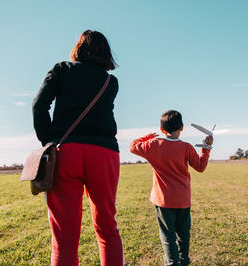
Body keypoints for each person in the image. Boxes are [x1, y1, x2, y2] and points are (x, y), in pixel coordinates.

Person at [32, 30, 123, 266]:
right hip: (104, 153)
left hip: (66, 152)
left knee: (64, 236)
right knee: (107, 227)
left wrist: (48, 141)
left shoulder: (62, 69)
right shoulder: (110, 82)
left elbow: (39, 105)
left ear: (79, 48)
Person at [129, 110, 213, 266]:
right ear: (181, 127)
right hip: (183, 200)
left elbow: (133, 147)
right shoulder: (186, 147)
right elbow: (200, 167)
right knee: (183, 234)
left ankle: (172, 263)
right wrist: (206, 148)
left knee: (168, 236)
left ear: (162, 129)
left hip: (163, 200)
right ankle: (184, 261)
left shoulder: (153, 145)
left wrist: (147, 137)